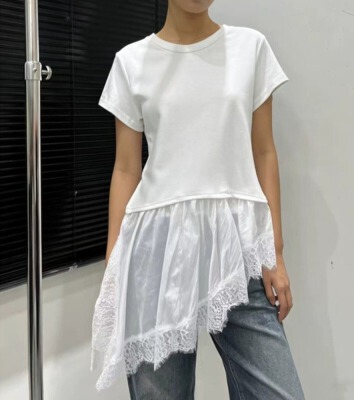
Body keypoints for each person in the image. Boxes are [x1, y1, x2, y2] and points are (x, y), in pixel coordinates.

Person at [90, 1, 306, 399]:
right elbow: (126, 170)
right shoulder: (131, 62)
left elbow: (264, 152)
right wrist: (114, 268)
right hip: (157, 257)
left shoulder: (250, 48)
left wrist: (275, 251)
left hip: (238, 249)